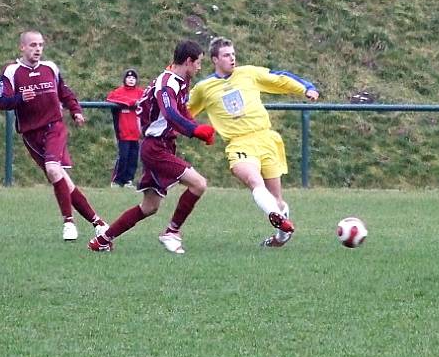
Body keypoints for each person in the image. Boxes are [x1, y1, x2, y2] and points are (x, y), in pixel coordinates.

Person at [187, 36, 319, 247]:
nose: (232, 58)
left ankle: (280, 235)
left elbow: (279, 78)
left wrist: (305, 88)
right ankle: (276, 216)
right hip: (239, 144)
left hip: (265, 139)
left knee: (277, 199)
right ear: (214, 59)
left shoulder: (248, 73)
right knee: (253, 180)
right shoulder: (204, 88)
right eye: (226, 55)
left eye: (233, 54)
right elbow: (184, 112)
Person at [88, 40, 215, 255]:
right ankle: (171, 232)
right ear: (188, 61)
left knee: (149, 207)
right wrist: (194, 131)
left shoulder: (180, 81)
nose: (200, 68)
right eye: (199, 63)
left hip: (161, 146)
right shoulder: (167, 84)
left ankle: (102, 239)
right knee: (198, 184)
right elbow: (171, 114)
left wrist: (197, 128)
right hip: (156, 148)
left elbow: (181, 110)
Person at [0, 31, 107, 241]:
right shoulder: (12, 72)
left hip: (55, 127)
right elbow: (2, 101)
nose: (37, 49)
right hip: (32, 134)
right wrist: (19, 98)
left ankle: (68, 223)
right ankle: (98, 223)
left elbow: (64, 92)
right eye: (33, 45)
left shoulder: (50, 68)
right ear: (22, 47)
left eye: (40, 45)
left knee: (54, 169)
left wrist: (75, 110)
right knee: (63, 180)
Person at [107, 68, 143, 188]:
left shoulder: (140, 92)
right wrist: (131, 102)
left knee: (133, 158)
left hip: (135, 132)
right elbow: (111, 98)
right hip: (124, 131)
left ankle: (128, 180)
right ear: (125, 79)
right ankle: (117, 180)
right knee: (123, 156)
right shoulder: (119, 91)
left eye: (133, 78)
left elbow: (146, 100)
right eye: (129, 78)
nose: (131, 80)